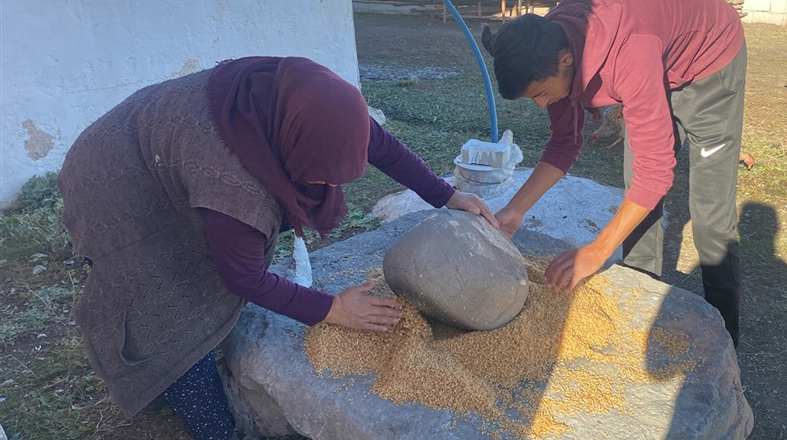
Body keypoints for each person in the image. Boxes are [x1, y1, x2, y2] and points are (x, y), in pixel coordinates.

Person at [57, 56, 497, 440]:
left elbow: (380, 144)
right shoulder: (235, 183)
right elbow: (243, 276)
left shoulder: (314, 106)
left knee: (209, 259)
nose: (332, 188)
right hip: (113, 183)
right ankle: (198, 416)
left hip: (158, 143)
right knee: (167, 306)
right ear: (291, 145)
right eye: (322, 178)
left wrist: (447, 195)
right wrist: (332, 310)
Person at [481, 0, 746, 346]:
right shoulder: (552, 41)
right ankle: (638, 315)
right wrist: (515, 209)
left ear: (566, 60)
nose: (542, 105)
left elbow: (656, 175)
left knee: (710, 219)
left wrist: (597, 250)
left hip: (710, 60)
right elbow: (564, 143)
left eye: (542, 93)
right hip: (653, 56)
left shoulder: (628, 53)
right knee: (637, 202)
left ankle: (724, 341)